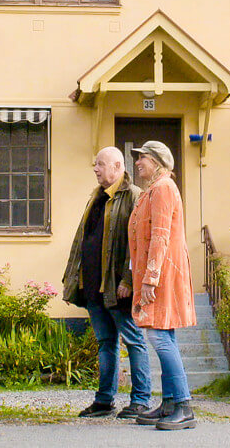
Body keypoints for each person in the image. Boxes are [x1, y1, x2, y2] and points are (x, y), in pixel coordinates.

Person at [62, 147, 152, 419]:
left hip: (117, 287)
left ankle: (141, 400)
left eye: (101, 164)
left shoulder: (134, 195)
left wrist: (128, 278)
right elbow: (82, 239)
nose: (96, 169)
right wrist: (74, 278)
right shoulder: (97, 197)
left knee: (134, 341)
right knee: (105, 343)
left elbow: (138, 242)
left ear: (117, 166)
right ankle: (104, 401)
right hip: (93, 286)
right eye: (95, 164)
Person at [127, 141, 198, 431]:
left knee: (158, 336)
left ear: (157, 161)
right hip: (160, 272)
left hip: (163, 274)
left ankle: (183, 405)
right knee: (163, 335)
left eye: (142, 157)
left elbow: (160, 235)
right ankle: (170, 403)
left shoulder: (163, 188)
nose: (138, 162)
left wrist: (150, 278)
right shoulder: (153, 190)